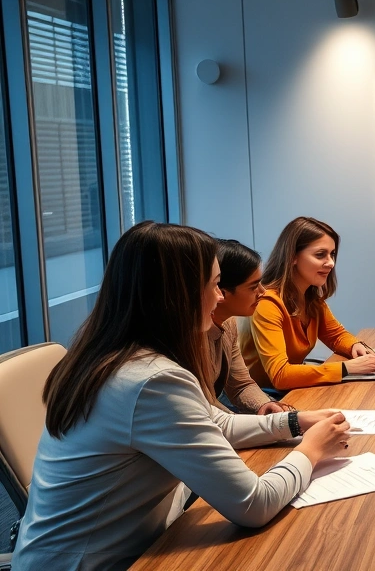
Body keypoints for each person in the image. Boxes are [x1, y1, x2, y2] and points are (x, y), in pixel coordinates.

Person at [12, 222, 353, 570]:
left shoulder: (120, 355)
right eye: (215, 285)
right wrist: (312, 449)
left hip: (133, 540)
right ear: (179, 295)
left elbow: (214, 422)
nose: (221, 297)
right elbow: (253, 505)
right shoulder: (151, 380)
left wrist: (295, 421)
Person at [241, 217, 375, 390]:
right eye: (320, 255)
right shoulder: (267, 303)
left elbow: (336, 335)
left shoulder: (312, 300)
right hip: (262, 397)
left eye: (332, 254)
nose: (331, 263)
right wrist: (347, 368)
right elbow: (280, 376)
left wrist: (356, 346)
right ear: (293, 257)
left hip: (289, 390)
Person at [207, 239, 294, 414]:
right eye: (254, 286)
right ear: (220, 292)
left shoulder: (228, 322)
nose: (262, 292)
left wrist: (264, 405)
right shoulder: (190, 336)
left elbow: (241, 385)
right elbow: (206, 409)